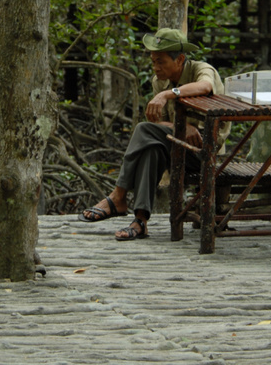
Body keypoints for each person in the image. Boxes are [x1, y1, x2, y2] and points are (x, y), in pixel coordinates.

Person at [78, 28, 229, 240]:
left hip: (205, 151)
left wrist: (169, 94)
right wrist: (182, 128)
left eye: (161, 62)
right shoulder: (159, 80)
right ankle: (140, 221)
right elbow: (160, 123)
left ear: (180, 60)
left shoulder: (201, 70)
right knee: (152, 149)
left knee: (142, 129)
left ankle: (118, 196)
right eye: (153, 62)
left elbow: (205, 86)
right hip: (178, 147)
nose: (156, 67)